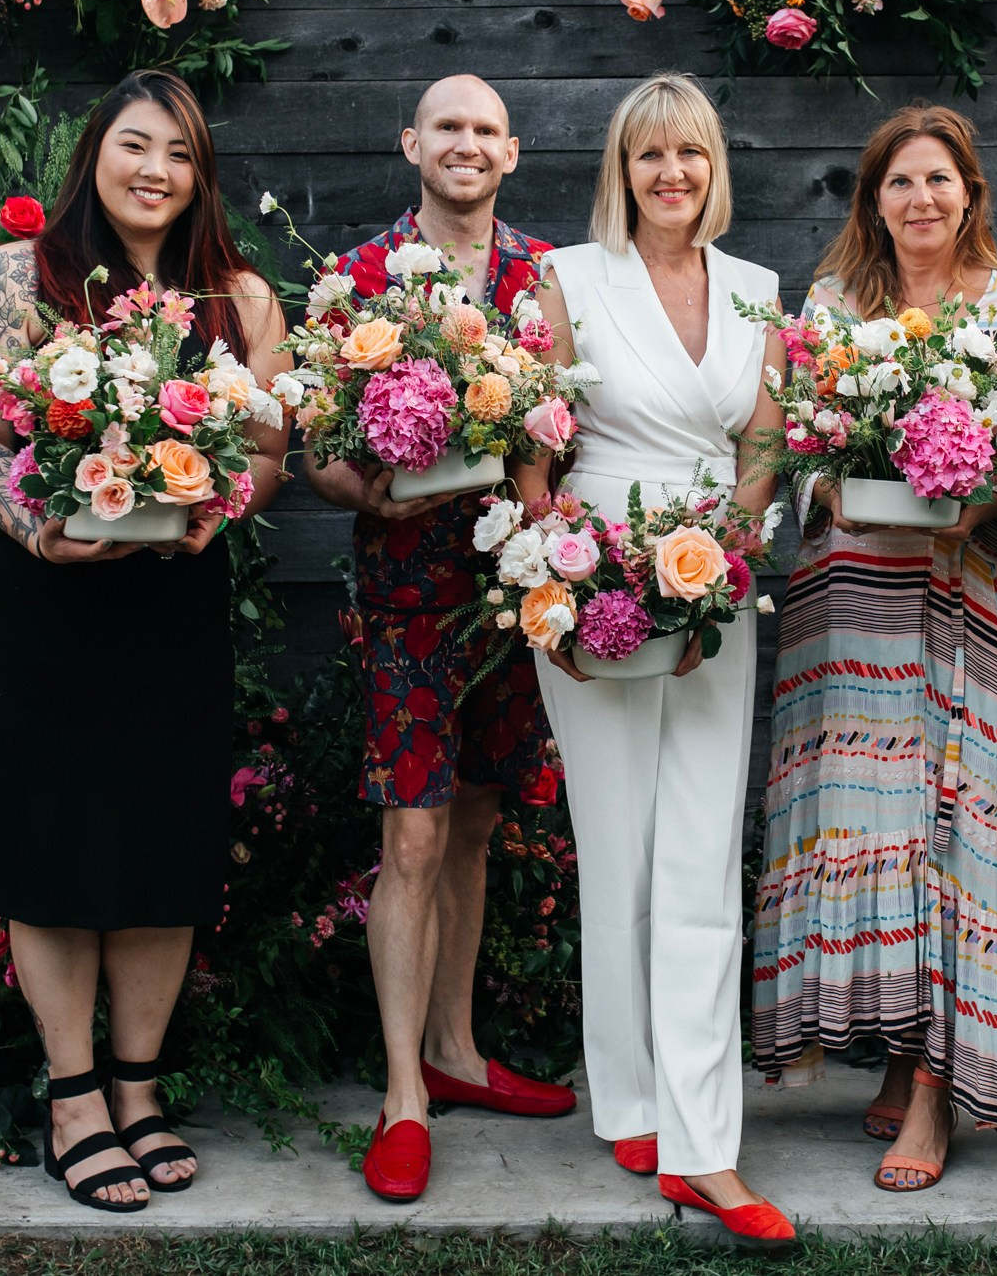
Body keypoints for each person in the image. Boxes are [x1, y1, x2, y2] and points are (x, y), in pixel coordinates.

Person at [0, 70, 293, 1212]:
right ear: (94, 154)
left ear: (202, 176)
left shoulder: (240, 297)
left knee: (160, 849)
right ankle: (73, 1097)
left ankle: (140, 1088)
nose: (157, 171)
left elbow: (271, 453)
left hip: (170, 598)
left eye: (180, 154)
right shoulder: (19, 276)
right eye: (136, 146)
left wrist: (216, 506)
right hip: (41, 597)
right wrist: (41, 530)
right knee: (52, 843)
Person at [513, 72, 796, 1244]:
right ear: (620, 173)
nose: (670, 176)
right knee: (616, 845)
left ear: (712, 166)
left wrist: (724, 561)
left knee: (695, 853)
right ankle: (627, 1094)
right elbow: (532, 433)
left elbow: (766, 440)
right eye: (648, 158)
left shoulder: (758, 290)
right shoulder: (568, 280)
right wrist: (551, 578)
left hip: (710, 586)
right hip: (591, 580)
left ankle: (699, 1143)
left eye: (688, 155)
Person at [747, 104, 997, 1194]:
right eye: (898, 183)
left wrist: (984, 503)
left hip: (951, 599)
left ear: (970, 190)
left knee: (943, 831)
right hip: (843, 605)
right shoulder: (829, 305)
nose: (920, 200)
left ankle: (935, 1088)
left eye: (939, 180)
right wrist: (833, 477)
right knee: (864, 825)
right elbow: (790, 439)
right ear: (871, 200)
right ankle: (894, 1048)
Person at [303, 74, 576, 1205]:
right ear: (411, 141)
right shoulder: (355, 280)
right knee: (410, 839)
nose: (466, 145)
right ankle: (403, 1096)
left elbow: (557, 432)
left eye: (485, 131)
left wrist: (547, 536)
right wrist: (368, 496)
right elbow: (314, 441)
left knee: (472, 827)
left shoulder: (542, 276)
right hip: (406, 595)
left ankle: (458, 1055)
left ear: (511, 152)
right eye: (446, 127)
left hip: (509, 596)